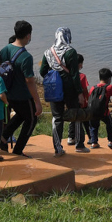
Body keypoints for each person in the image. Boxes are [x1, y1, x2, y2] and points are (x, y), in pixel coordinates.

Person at [39, 27, 86, 156]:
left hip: (54, 89)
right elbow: (75, 76)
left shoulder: (48, 52)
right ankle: (79, 144)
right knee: (75, 114)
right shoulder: (71, 52)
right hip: (69, 89)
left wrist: (53, 77)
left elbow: (42, 71)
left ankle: (58, 148)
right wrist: (80, 93)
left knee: (57, 118)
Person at [0, 20, 42, 157]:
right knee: (31, 119)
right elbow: (29, 81)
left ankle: (4, 137)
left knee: (21, 115)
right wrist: (37, 102)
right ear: (28, 36)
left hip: (7, 93)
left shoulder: (5, 49)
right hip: (22, 96)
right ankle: (18, 150)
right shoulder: (26, 57)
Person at [88, 68, 112, 150]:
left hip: (92, 112)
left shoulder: (93, 88)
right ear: (109, 79)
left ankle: (94, 143)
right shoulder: (109, 87)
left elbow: (89, 98)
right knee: (109, 124)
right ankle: (110, 142)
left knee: (93, 127)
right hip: (104, 112)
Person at [68, 54, 90, 147]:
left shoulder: (67, 75)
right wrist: (88, 99)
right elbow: (85, 90)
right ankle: (91, 137)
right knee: (86, 120)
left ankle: (70, 137)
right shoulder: (82, 76)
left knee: (73, 119)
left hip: (70, 101)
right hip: (81, 102)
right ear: (80, 64)